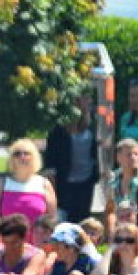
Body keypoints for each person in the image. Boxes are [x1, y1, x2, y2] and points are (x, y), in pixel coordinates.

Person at [0, 140, 57, 242]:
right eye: (17, 153)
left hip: (38, 248)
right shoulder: (2, 184)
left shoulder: (44, 184)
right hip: (8, 246)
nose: (22, 156)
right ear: (12, 158)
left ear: (34, 157)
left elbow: (52, 220)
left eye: (26, 153)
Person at [45, 95, 100, 223]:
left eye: (88, 98)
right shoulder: (58, 129)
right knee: (65, 218)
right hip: (65, 183)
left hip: (86, 182)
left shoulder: (94, 123)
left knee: (83, 218)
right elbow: (51, 160)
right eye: (82, 99)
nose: (87, 101)